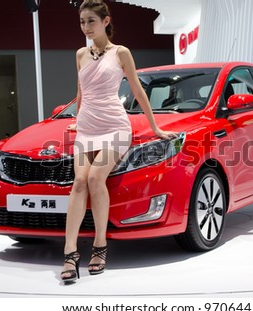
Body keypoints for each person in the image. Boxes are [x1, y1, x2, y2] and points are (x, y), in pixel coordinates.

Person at [60, 0, 176, 283]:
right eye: (82, 22)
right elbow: (81, 91)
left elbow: (138, 91)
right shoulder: (79, 54)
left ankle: (100, 246)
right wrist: (76, 117)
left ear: (106, 21)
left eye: (91, 21)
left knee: (96, 178)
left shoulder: (121, 52)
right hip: (87, 126)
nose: (86, 27)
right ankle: (70, 251)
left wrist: (155, 127)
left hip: (114, 126)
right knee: (79, 182)